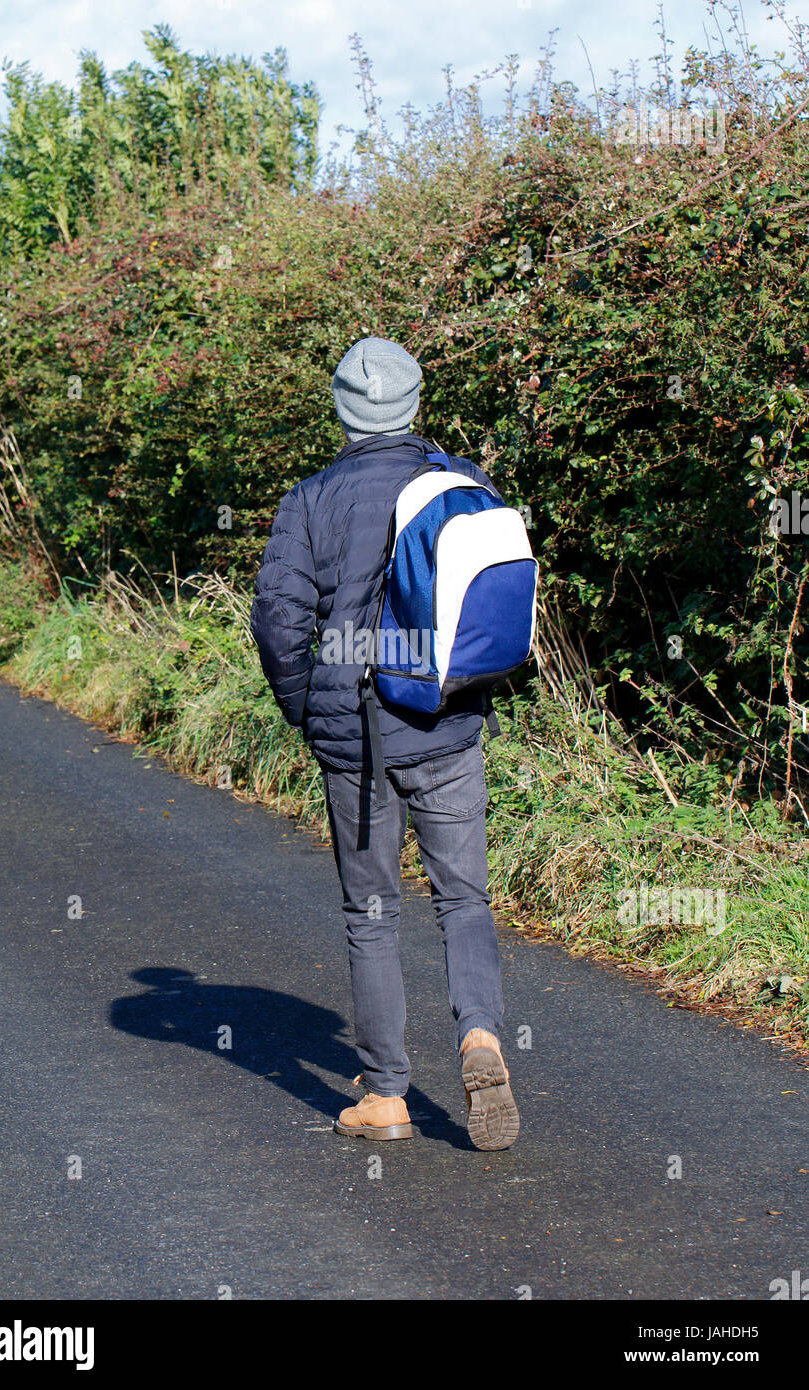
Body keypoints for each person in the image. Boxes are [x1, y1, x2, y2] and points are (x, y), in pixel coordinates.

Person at [250, 337, 519, 1151]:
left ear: (341, 410)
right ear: (414, 403)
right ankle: (480, 1036)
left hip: (358, 744)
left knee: (373, 913)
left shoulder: (310, 500)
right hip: (445, 723)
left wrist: (310, 708)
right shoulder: (460, 482)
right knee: (463, 900)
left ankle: (389, 1097)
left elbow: (278, 621)